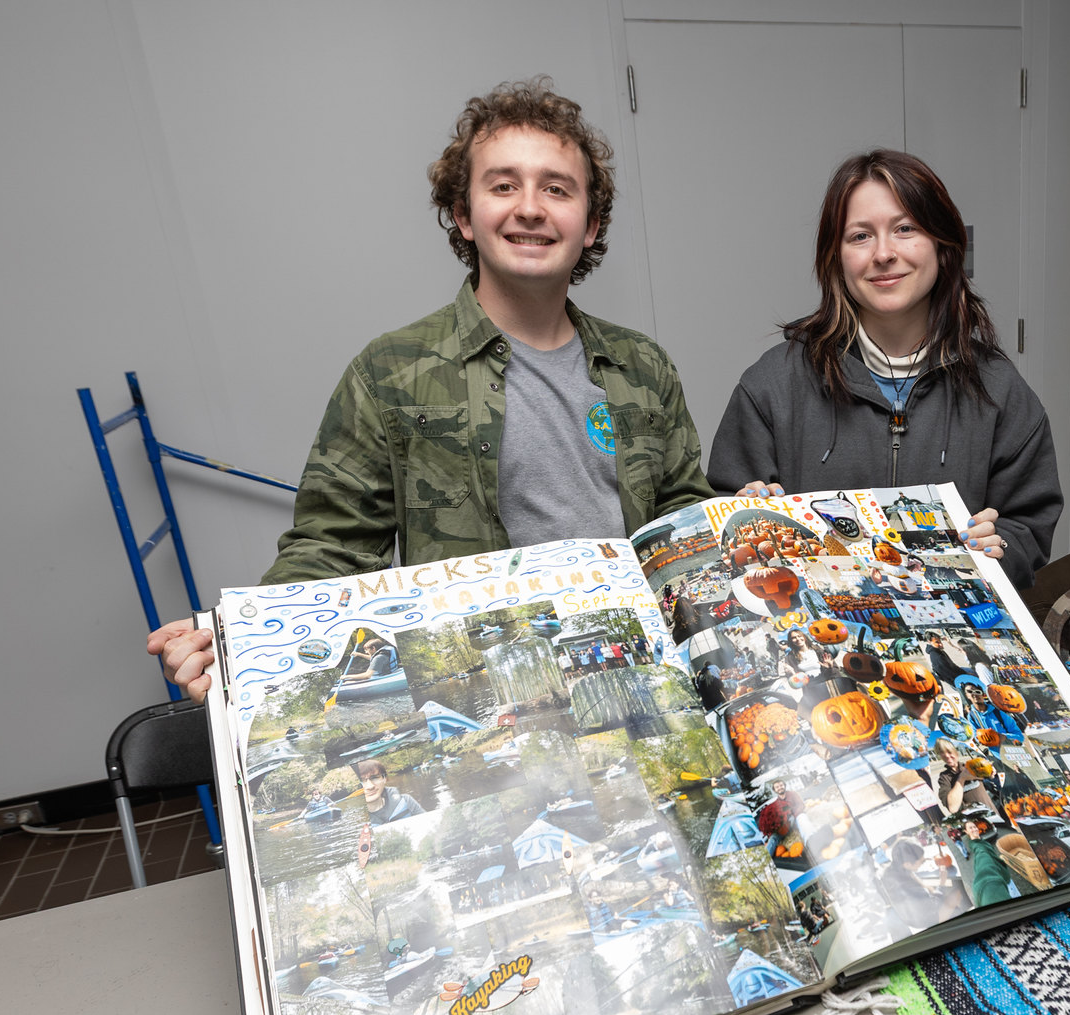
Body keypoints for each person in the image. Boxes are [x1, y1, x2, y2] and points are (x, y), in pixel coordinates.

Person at [150, 79, 714, 700]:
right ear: (464, 216)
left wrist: (738, 523)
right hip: (493, 689)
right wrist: (241, 639)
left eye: (557, 188)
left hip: (642, 674)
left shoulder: (643, 366)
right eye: (504, 186)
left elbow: (683, 524)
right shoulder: (390, 372)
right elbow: (333, 548)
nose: (530, 208)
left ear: (590, 224)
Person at [707, 150, 1062, 589]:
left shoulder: (999, 390)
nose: (883, 253)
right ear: (835, 257)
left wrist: (1001, 546)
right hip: (819, 620)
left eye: (905, 229)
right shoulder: (773, 385)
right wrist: (739, 513)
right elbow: (721, 518)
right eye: (860, 236)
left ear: (943, 245)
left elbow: (1027, 528)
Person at [355, 759, 423, 826]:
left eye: (375, 778)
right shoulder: (357, 819)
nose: (370, 786)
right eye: (362, 781)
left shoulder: (407, 800)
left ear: (384, 779)